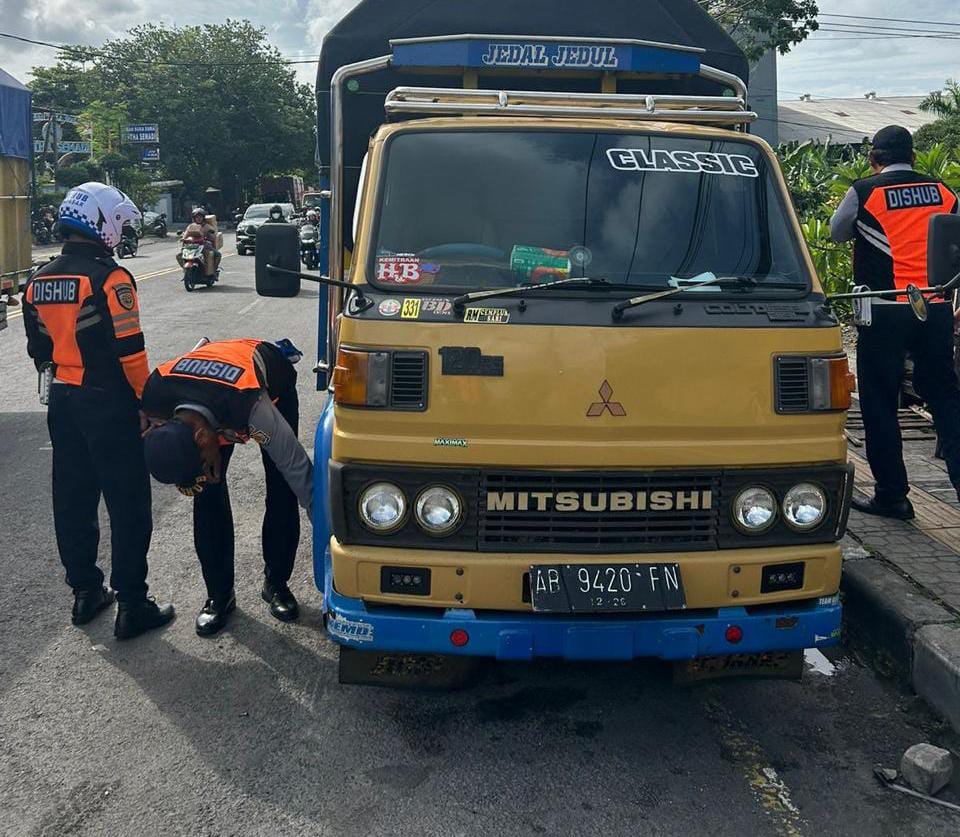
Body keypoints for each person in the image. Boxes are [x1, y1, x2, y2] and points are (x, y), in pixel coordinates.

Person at [22, 182, 175, 638]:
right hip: (109, 403)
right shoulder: (111, 278)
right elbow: (131, 353)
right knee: (128, 503)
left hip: (64, 402)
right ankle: (132, 603)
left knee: (72, 498)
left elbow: (39, 349)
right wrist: (149, 403)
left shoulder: (40, 279)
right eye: (120, 222)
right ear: (102, 222)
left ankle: (86, 593)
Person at [141, 338, 313, 636]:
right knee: (206, 498)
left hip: (267, 386)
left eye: (204, 459)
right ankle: (220, 597)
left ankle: (276, 584)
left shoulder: (250, 407)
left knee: (282, 484)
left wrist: (330, 533)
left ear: (202, 438)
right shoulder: (155, 396)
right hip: (206, 399)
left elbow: (298, 468)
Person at [831, 125, 960, 520]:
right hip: (934, 305)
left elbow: (837, 233)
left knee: (881, 402)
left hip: (885, 309)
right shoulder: (944, 192)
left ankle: (892, 495)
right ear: (914, 157)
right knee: (946, 398)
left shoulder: (864, 191)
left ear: (874, 159)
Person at [180, 207, 220, 275]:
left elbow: (213, 234)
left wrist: (210, 235)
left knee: (218, 255)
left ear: (203, 218)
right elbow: (186, 234)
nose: (198, 218)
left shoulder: (207, 226)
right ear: (194, 218)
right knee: (179, 255)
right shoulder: (191, 226)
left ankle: (213, 270)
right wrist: (183, 238)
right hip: (191, 246)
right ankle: (186, 270)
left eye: (200, 217)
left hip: (203, 245)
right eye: (197, 217)